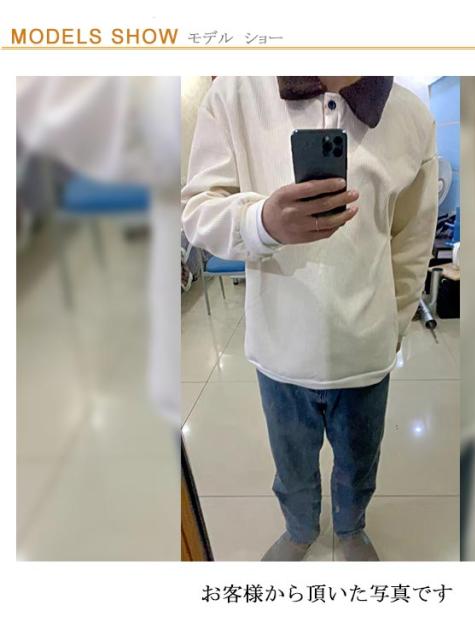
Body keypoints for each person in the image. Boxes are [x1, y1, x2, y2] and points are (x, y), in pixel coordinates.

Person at [182, 76, 438, 561]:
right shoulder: (235, 94)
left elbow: (411, 239)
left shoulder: (411, 116)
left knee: (359, 463)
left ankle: (351, 526)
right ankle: (300, 528)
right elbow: (196, 210)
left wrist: (395, 322)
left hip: (365, 347)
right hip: (279, 346)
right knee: (292, 465)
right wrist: (261, 222)